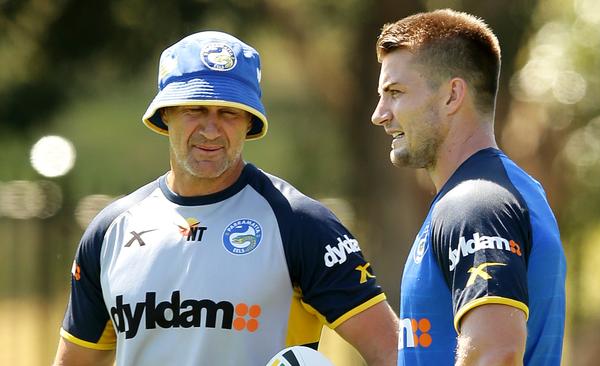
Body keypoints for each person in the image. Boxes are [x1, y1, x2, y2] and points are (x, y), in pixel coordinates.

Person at [53, 30, 398, 366]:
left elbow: (391, 351)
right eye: (196, 109)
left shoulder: (300, 223)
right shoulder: (110, 230)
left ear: (249, 122)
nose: (211, 129)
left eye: (229, 112)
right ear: (165, 115)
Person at [371, 9, 566, 366]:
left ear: (452, 95)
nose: (380, 114)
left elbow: (495, 352)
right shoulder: (508, 191)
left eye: (395, 92)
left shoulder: (476, 203)